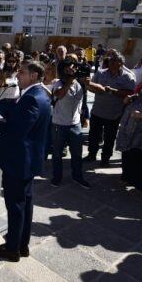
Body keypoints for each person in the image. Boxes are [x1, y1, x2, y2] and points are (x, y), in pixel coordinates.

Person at [0, 61, 51, 262]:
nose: (18, 75)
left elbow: (17, 132)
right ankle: (22, 245)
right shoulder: (40, 94)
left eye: (22, 72)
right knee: (25, 203)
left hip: (19, 161)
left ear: (34, 75)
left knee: (16, 206)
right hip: (28, 161)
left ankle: (12, 248)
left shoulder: (31, 98)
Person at [86, 53, 136, 166]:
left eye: (115, 61)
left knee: (109, 138)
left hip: (114, 114)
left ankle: (105, 159)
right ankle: (91, 154)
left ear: (121, 64)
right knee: (93, 136)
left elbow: (130, 94)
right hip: (97, 111)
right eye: (111, 61)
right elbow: (91, 87)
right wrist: (92, 87)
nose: (111, 63)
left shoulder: (127, 77)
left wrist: (113, 91)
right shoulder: (100, 73)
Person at [50, 59, 88, 188]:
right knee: (57, 153)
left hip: (75, 124)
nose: (73, 70)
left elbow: (89, 97)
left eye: (74, 68)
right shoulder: (58, 83)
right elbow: (59, 95)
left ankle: (78, 177)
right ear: (63, 70)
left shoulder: (79, 84)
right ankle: (57, 177)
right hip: (59, 124)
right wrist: (69, 82)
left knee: (77, 154)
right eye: (69, 68)